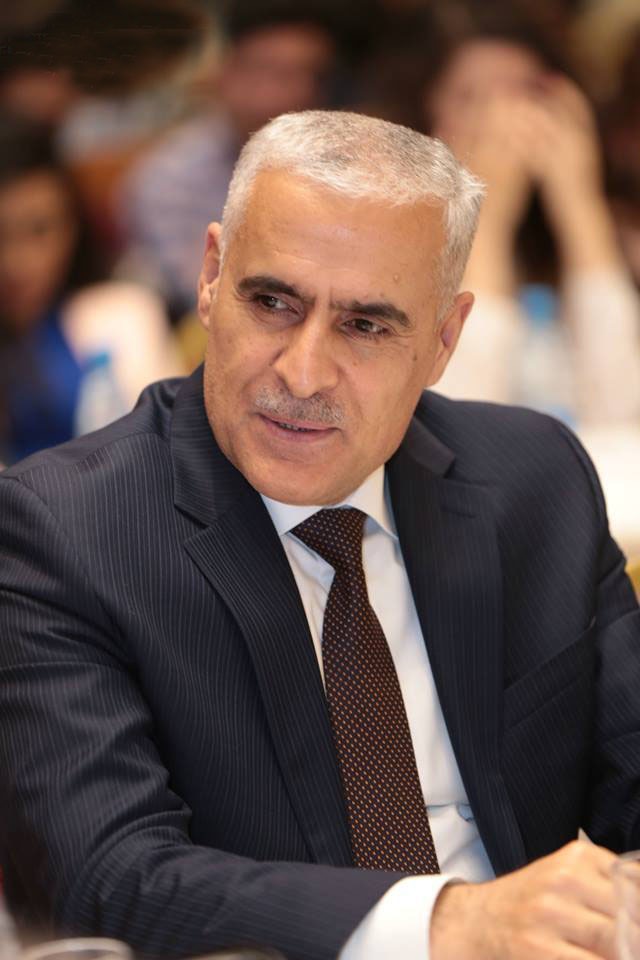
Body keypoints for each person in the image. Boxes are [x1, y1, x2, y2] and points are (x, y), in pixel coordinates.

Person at [0, 110, 639, 960]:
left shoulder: (534, 480)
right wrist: (452, 924)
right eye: (273, 302)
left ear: (444, 339)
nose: (302, 374)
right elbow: (107, 879)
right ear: (211, 275)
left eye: (365, 326)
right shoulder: (62, 531)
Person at [0, 111, 184, 464]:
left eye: (39, 229)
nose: (15, 261)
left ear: (73, 228)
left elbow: (165, 452)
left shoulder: (124, 313)